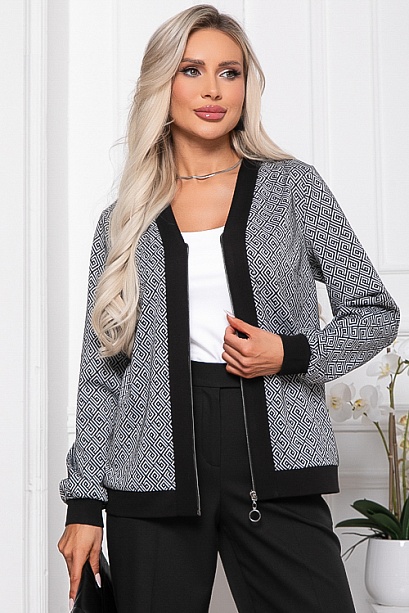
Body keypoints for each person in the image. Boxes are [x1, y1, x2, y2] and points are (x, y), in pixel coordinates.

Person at [58, 5, 400, 612]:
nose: (213, 90)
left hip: (275, 456)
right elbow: (102, 372)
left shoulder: (293, 188)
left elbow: (374, 310)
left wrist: (290, 353)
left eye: (230, 72)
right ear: (162, 83)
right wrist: (84, 505)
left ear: (247, 86)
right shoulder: (123, 220)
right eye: (192, 70)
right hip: (151, 468)